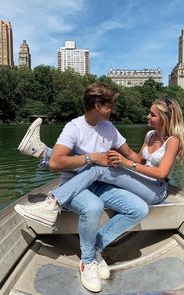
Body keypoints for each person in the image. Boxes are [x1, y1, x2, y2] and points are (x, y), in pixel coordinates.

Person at [14, 83, 149, 293]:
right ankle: (87, 261)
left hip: (100, 183)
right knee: (93, 206)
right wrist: (91, 157)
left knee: (139, 209)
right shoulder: (74, 127)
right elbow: (56, 163)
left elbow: (131, 154)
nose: (113, 109)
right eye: (110, 105)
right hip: (73, 185)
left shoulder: (109, 128)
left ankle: (95, 248)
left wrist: (150, 161)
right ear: (97, 105)